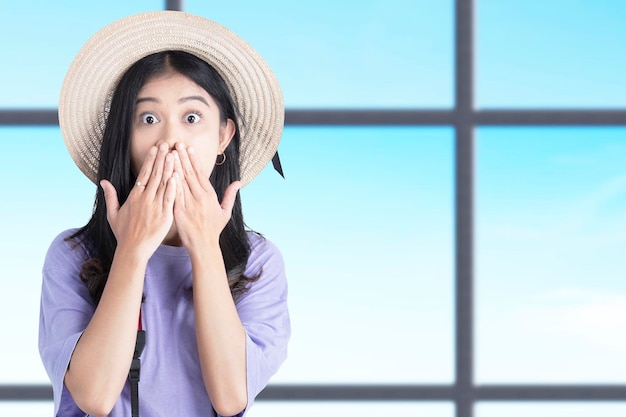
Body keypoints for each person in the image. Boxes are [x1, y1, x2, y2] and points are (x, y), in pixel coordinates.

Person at [38, 11, 290, 417]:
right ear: (125, 135)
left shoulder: (259, 261)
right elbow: (94, 397)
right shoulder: (72, 254)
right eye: (149, 119)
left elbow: (230, 397)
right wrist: (133, 250)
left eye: (192, 118)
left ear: (223, 135)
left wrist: (205, 247)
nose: (171, 139)